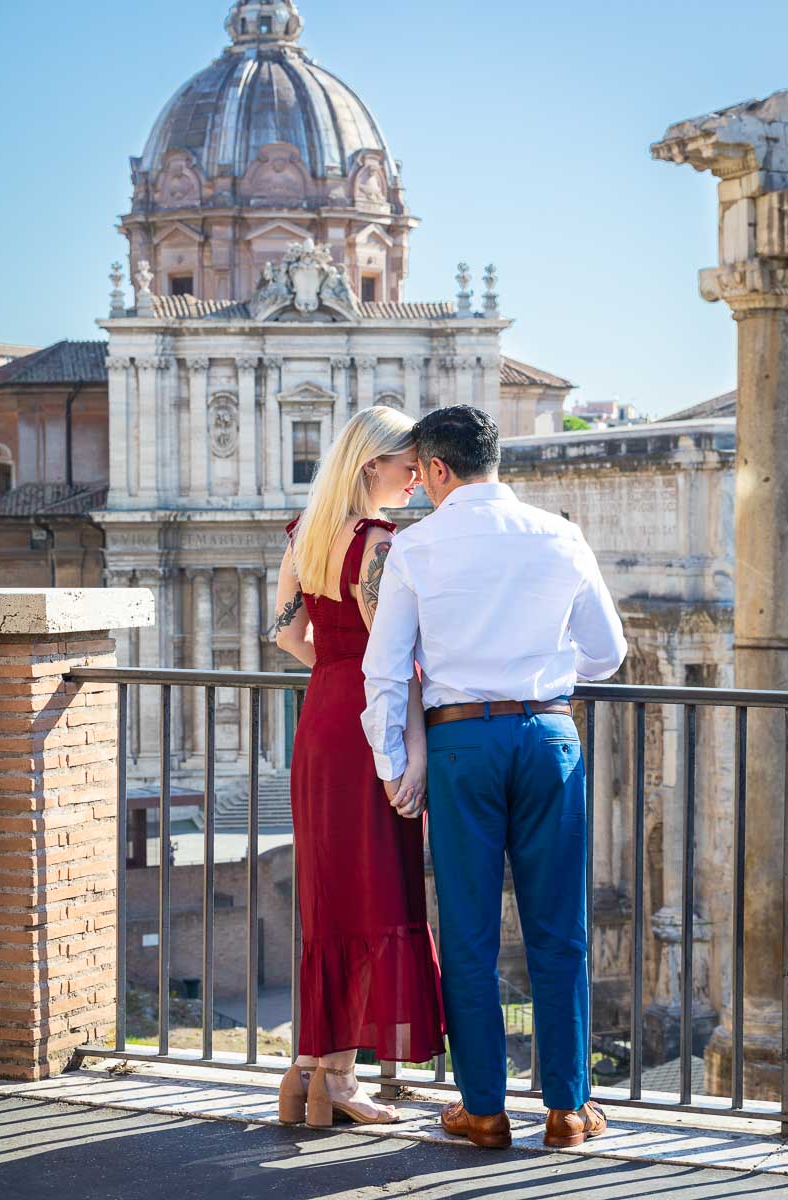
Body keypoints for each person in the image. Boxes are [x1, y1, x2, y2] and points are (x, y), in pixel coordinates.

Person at [361, 405, 627, 1150]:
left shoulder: (416, 549)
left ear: (439, 469)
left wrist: (392, 766)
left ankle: (483, 1110)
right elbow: (607, 654)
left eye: (424, 474)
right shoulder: (560, 534)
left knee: (470, 932)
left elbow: (385, 672)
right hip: (547, 735)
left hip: (459, 744)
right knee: (559, 929)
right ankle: (569, 1110)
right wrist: (541, 673)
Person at [274, 406, 445, 1130]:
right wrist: (412, 753)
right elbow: (393, 660)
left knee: (330, 900)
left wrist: (333, 671)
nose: (416, 481)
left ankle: (307, 1075)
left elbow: (284, 635)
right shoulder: (377, 544)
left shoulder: (305, 533)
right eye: (408, 466)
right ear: (372, 464)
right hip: (362, 732)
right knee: (374, 895)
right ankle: (338, 1082)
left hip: (320, 720)